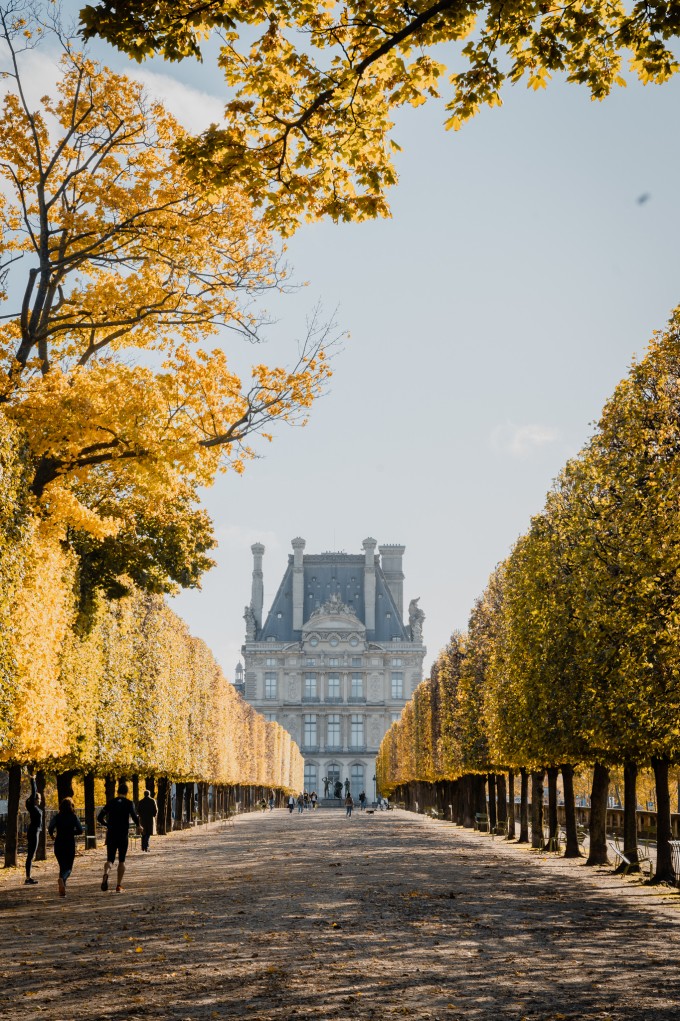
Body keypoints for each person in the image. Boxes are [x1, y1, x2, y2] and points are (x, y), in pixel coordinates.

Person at [97, 780, 139, 893]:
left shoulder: (111, 802)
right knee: (121, 860)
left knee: (110, 859)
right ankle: (118, 885)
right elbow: (134, 816)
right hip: (123, 834)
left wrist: (107, 824)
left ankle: (106, 874)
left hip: (111, 833)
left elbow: (99, 817)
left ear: (117, 791)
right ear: (127, 792)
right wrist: (140, 825)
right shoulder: (129, 803)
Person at [48, 797, 83, 897]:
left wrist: (52, 835)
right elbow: (80, 830)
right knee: (68, 869)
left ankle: (62, 890)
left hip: (58, 843)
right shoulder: (73, 816)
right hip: (69, 844)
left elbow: (50, 827)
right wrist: (71, 832)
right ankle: (62, 880)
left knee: (62, 866)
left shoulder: (57, 816)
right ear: (71, 806)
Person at [24, 774, 43, 885]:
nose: (40, 800)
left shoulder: (34, 808)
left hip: (35, 831)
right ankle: (28, 878)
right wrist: (33, 780)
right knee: (30, 855)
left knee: (31, 854)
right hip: (33, 831)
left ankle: (28, 877)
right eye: (39, 798)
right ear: (35, 799)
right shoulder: (32, 806)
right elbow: (34, 791)